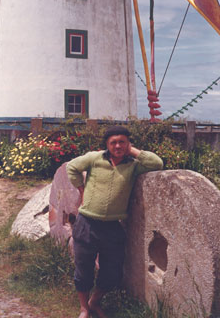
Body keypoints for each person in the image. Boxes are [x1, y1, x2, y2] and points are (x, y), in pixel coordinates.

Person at [66, 126, 163, 318]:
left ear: (128, 144)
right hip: (87, 223)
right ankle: (84, 308)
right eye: (113, 142)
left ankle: (95, 301)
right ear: (107, 145)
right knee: (83, 268)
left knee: (112, 271)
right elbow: (72, 167)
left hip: (112, 226)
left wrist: (133, 151)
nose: (117, 146)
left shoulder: (133, 165)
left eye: (122, 142)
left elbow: (157, 163)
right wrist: (81, 190)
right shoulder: (94, 159)